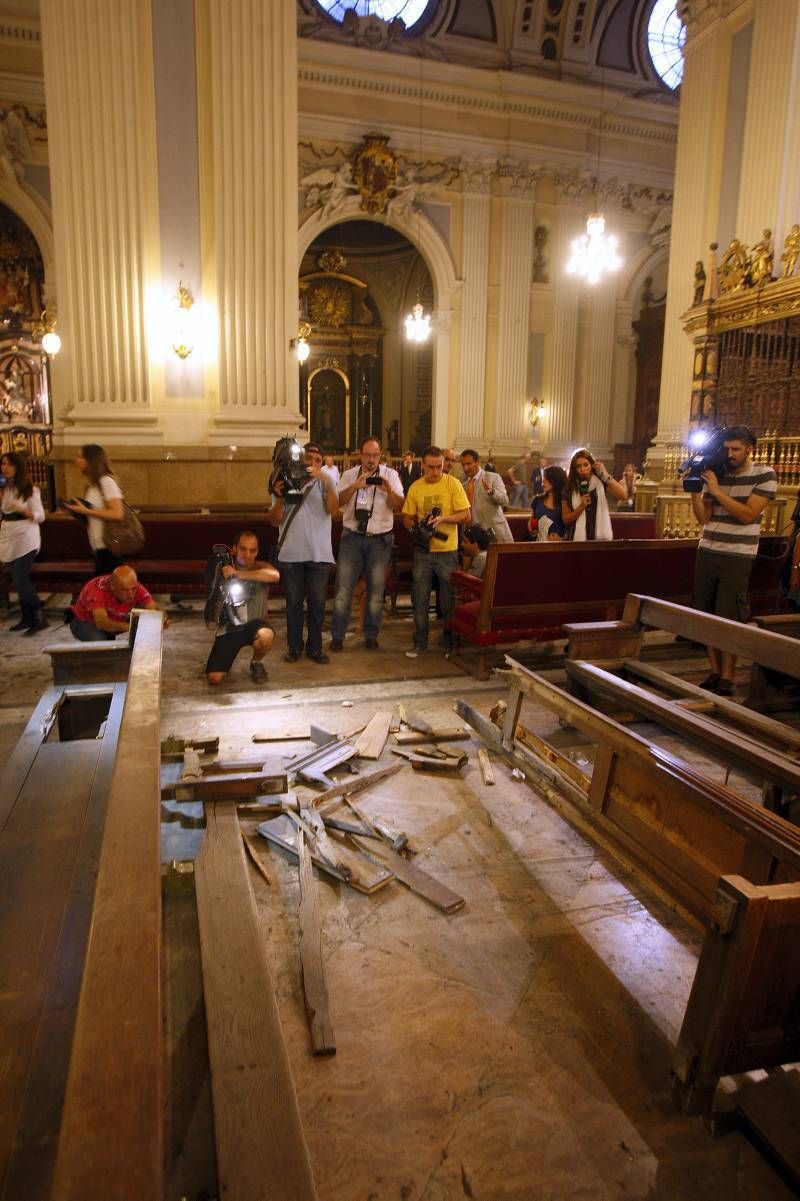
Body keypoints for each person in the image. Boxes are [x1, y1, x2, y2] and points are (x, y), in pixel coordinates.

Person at [688, 426, 777, 696]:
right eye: (726, 449)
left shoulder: (764, 474)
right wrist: (695, 488)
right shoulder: (718, 472)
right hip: (708, 549)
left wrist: (716, 490)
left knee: (730, 615)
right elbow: (704, 518)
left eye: (736, 449)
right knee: (705, 614)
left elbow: (748, 515)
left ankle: (728, 676)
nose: (730, 455)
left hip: (738, 554)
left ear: (749, 448)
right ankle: (715, 671)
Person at [329, 435, 404, 652]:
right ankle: (338, 636)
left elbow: (399, 505)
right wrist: (354, 486)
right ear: (360, 455)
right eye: (367, 455)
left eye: (375, 455)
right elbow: (338, 503)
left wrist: (388, 490)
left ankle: (371, 634)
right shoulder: (349, 474)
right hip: (351, 538)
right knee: (343, 590)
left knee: (376, 591)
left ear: (380, 455)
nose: (371, 459)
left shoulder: (391, 475)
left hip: (380, 540)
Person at [267, 440, 338, 664]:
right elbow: (274, 520)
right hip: (291, 554)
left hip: (319, 554)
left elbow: (333, 511)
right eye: (309, 458)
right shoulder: (285, 480)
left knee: (317, 605)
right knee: (294, 605)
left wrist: (326, 480)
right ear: (301, 459)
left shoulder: (326, 482)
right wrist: (279, 498)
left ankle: (315, 648)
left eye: (318, 460)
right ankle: (294, 647)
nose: (313, 463)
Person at [402, 445, 470, 654]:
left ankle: (449, 639)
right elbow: (406, 517)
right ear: (422, 465)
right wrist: (415, 528)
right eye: (430, 467)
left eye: (439, 467)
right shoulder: (416, 487)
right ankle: (420, 640)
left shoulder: (453, 484)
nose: (435, 472)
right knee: (420, 596)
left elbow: (466, 515)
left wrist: (443, 519)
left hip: (447, 550)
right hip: (423, 550)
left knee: (448, 598)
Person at [205, 530, 279, 685]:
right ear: (234, 549)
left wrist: (237, 575)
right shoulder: (224, 568)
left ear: (257, 551)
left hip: (255, 624)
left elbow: (274, 576)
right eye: (243, 549)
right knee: (214, 679)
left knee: (266, 636)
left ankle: (256, 663)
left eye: (252, 550)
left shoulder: (260, 566)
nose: (247, 554)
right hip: (229, 627)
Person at [0, 451, 47, 634]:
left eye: (9, 464)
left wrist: (23, 510)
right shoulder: (6, 489)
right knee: (16, 578)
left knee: (20, 577)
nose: (5, 468)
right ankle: (26, 617)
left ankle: (38, 616)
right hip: (9, 536)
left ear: (18, 467)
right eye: (3, 464)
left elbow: (40, 516)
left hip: (26, 538)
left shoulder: (30, 489)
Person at [63, 444, 125, 575]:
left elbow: (118, 513)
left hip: (109, 545)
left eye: (80, 456)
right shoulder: (92, 486)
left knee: (108, 590)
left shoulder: (107, 482)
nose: (76, 460)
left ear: (90, 460)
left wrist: (86, 511)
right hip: (98, 546)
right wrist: (75, 512)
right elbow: (93, 516)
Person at [69, 564, 166, 641]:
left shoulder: (135, 586)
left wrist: (161, 619)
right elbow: (102, 622)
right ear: (112, 587)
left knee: (148, 618)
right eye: (124, 590)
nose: (130, 594)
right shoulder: (97, 590)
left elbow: (153, 608)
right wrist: (132, 627)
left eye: (133, 589)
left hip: (115, 618)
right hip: (85, 622)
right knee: (98, 639)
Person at [562, 449, 627, 540]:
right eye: (578, 466)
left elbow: (623, 495)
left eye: (586, 465)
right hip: (575, 539)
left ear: (591, 465)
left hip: (599, 539)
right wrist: (581, 507)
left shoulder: (600, 481)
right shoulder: (569, 488)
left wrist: (605, 474)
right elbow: (565, 519)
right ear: (574, 469)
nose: (582, 469)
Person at [459, 449, 513, 543]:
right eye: (463, 465)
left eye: (468, 464)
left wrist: (491, 491)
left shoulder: (493, 477)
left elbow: (505, 500)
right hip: (474, 536)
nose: (465, 468)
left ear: (478, 462)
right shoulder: (464, 486)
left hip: (494, 533)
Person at [532, 465, 569, 540]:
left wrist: (561, 539)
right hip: (539, 544)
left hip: (560, 547)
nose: (543, 480)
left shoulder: (565, 501)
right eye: (544, 477)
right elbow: (532, 522)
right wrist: (532, 530)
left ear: (556, 480)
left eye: (547, 478)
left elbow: (571, 529)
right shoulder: (537, 500)